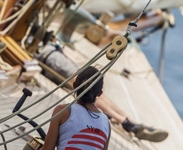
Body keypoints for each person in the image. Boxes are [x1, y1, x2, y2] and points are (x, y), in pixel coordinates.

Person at [36, 42, 168, 142]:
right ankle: (127, 122)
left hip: (53, 54)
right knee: (90, 90)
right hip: (50, 55)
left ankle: (131, 122)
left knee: (96, 92)